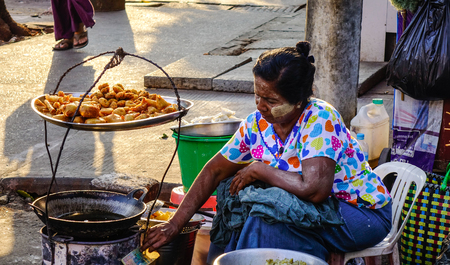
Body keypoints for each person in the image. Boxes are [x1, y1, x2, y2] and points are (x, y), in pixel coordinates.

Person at [141, 41, 392, 263]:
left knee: (266, 219)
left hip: (358, 211)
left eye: (271, 101)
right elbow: (215, 171)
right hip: (313, 209)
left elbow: (314, 190)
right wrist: (174, 225)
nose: (260, 106)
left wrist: (261, 170)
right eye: (257, 95)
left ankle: (317, 248)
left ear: (298, 101)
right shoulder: (256, 123)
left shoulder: (319, 119)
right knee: (235, 210)